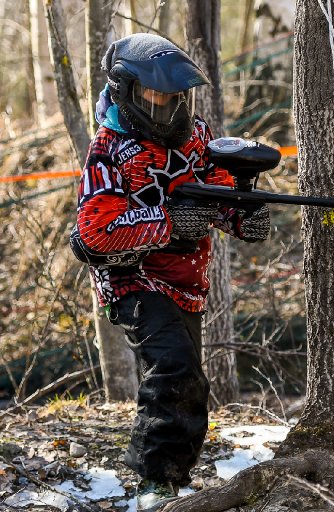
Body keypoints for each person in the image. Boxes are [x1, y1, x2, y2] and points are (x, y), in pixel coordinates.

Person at [69, 33, 270, 511]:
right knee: (173, 370)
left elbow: (218, 185)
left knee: (190, 382)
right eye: (156, 97)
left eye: (176, 98)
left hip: (186, 283)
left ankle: (173, 481)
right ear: (126, 92)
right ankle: (152, 484)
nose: (168, 108)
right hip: (131, 279)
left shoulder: (196, 136)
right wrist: (166, 221)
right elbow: (93, 232)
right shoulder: (109, 150)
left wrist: (242, 213)